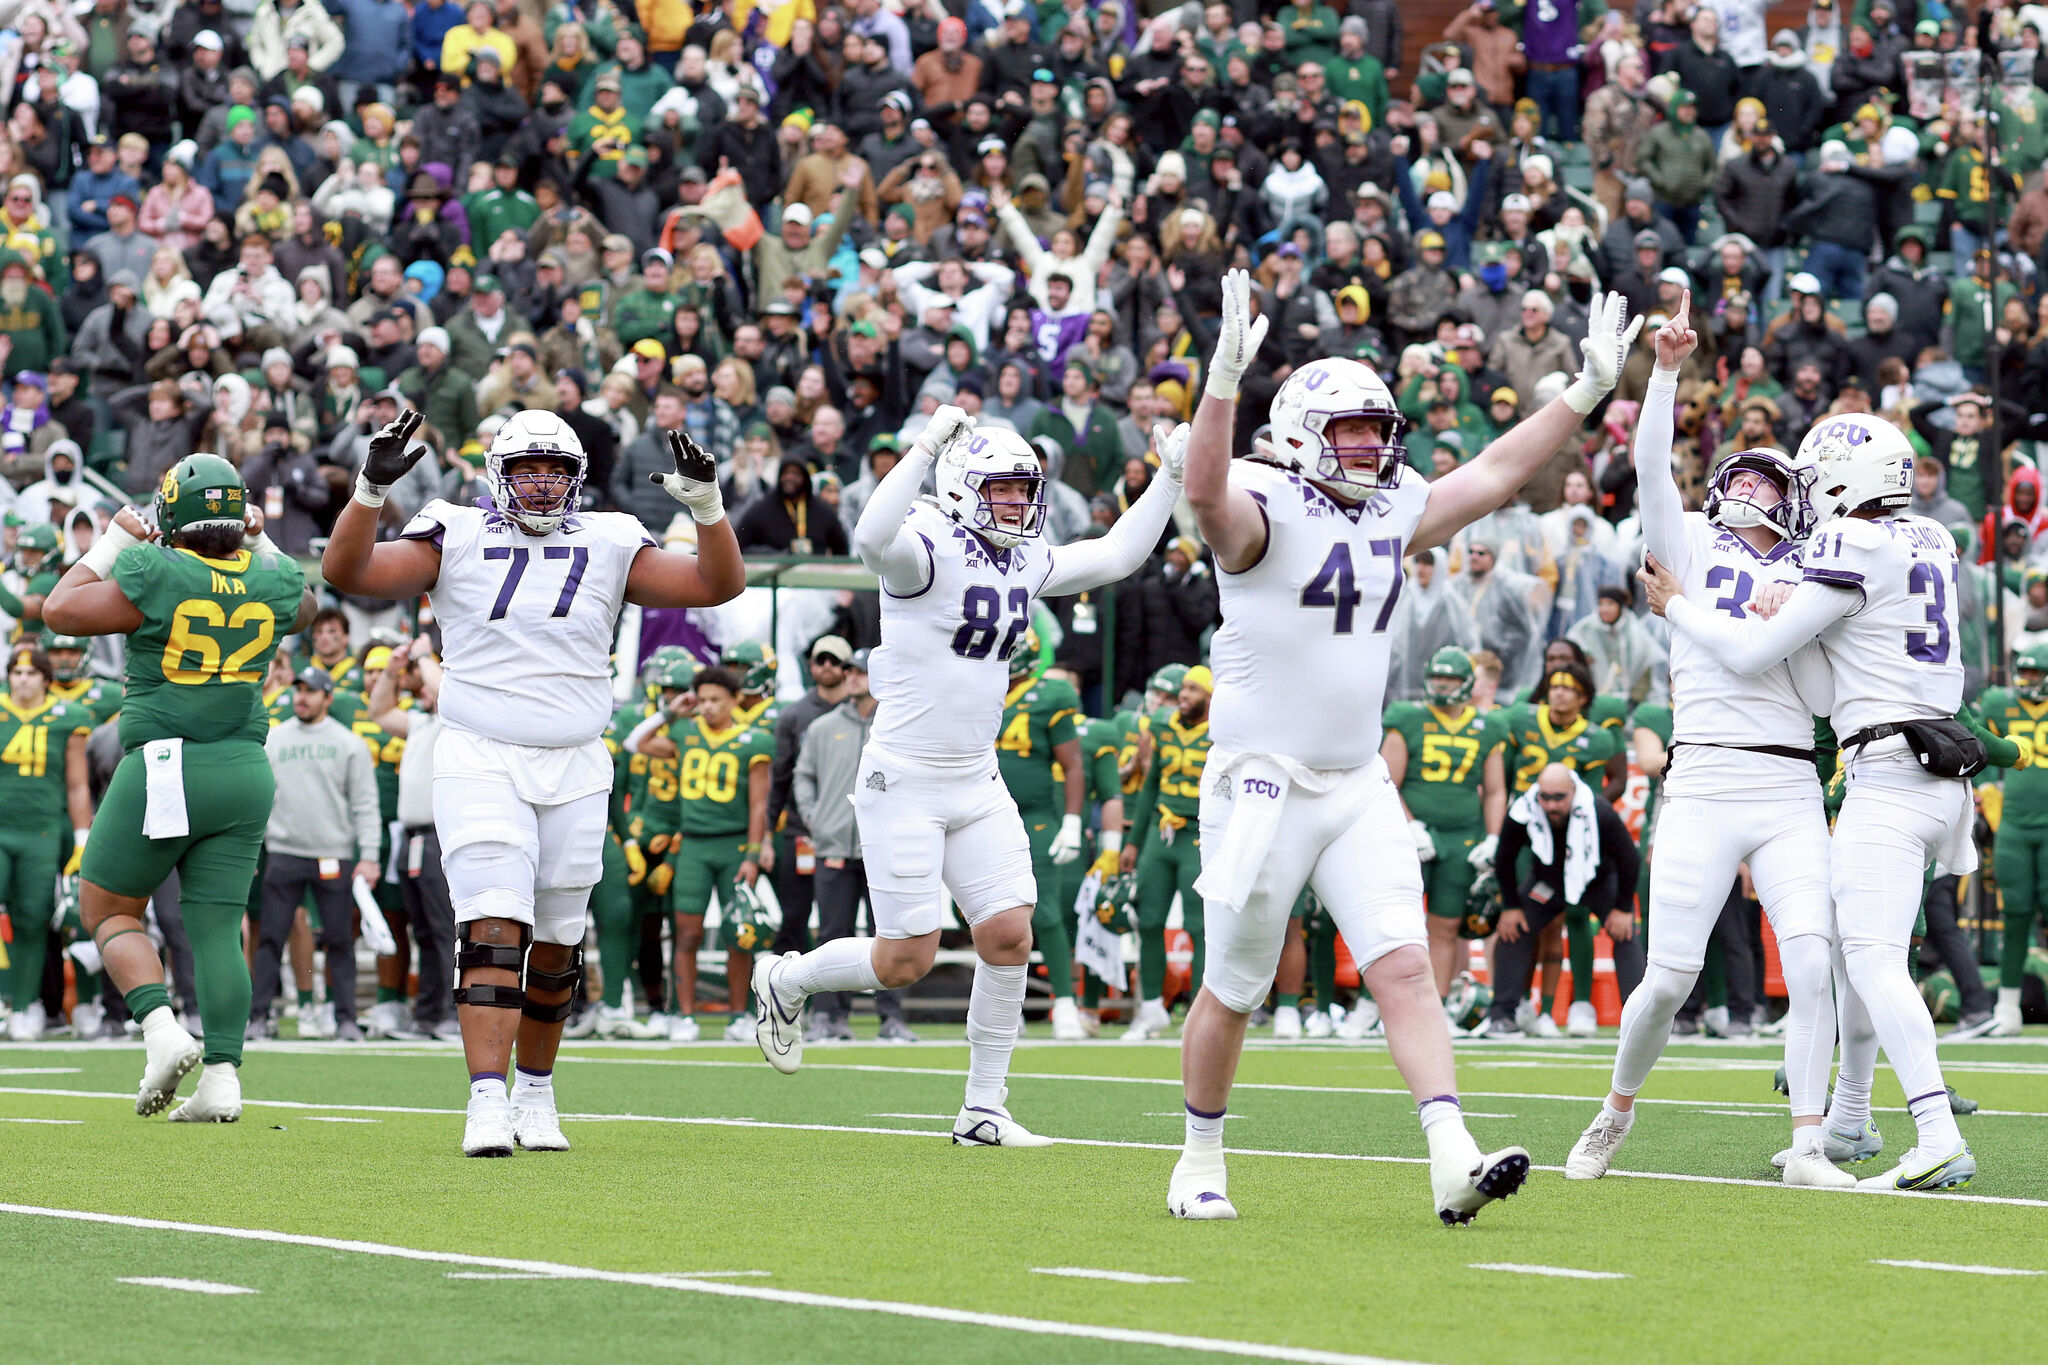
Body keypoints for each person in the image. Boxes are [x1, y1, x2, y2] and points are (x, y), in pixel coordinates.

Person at [1165, 269, 1638, 1224]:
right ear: (1301, 434)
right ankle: (1198, 1156)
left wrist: (1582, 394)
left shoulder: (1388, 504)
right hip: (1261, 784)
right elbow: (1207, 494)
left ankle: (1449, 1152)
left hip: (1353, 783)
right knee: (1234, 986)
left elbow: (1497, 474)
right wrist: (1221, 380)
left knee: (1407, 966)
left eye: (1382, 430)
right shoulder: (1263, 504)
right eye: (1351, 430)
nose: (1373, 447)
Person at [748, 396, 1187, 1145]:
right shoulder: (924, 541)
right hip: (906, 777)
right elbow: (868, 534)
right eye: (1003, 489)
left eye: (1025, 488)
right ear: (959, 487)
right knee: (904, 959)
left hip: (975, 777)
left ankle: (984, 1107)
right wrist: (920, 448)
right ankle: (786, 979)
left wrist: (1170, 480)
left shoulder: (1020, 555)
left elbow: (1115, 555)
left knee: (1008, 935)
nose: (1018, 503)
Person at [319, 407, 745, 1157]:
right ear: (498, 474)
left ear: (576, 478)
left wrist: (706, 505)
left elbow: (716, 583)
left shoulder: (610, 539)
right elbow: (348, 572)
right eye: (527, 469)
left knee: (556, 941)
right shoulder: (455, 529)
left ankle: (537, 1094)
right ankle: (486, 1098)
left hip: (577, 758)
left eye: (555, 470)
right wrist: (368, 491)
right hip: (481, 751)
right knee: (491, 922)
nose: (542, 484)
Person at [1640, 408, 1989, 1192]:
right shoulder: (1930, 536)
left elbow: (1753, 652)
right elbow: (1837, 655)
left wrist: (1679, 607)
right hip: (1936, 762)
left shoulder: (1849, 541)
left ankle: (1933, 1128)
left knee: (1867, 958)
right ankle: (1850, 1117)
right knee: (1846, 948)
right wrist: (1794, 598)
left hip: (1890, 769)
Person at [1566, 297, 1844, 1186]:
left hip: (1792, 780)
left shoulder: (1810, 570)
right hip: (1706, 779)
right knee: (1668, 977)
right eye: (1746, 478)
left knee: (1810, 962)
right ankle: (1615, 1108)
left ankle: (1807, 1141)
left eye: (1774, 483)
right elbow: (1650, 465)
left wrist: (1792, 607)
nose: (1756, 492)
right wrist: (1670, 372)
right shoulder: (1685, 539)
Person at [43, 454, 314, 1122]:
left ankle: (161, 1029)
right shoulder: (269, 574)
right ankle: (223, 1079)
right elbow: (303, 606)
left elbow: (59, 610)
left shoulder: (156, 567)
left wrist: (111, 540)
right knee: (218, 926)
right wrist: (259, 538)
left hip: (167, 762)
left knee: (106, 907)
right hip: (245, 768)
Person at [622, 662, 771, 1042]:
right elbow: (634, 743)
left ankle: (739, 1014)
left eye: (715, 699)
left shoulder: (753, 740)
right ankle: (683, 1014)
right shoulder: (686, 732)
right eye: (702, 699)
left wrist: (753, 855)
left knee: (740, 934)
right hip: (692, 845)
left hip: (733, 844)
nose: (707, 707)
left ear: (735, 699)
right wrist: (670, 711)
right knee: (686, 934)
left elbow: (759, 805)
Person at [250, 664, 382, 1041]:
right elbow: (260, 798)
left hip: (332, 854)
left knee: (340, 940)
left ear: (328, 697)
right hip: (284, 851)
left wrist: (369, 855)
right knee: (271, 938)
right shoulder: (274, 739)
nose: (301, 697)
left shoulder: (348, 743)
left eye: (310, 691)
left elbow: (365, 804)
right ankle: (259, 1017)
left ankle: (346, 1020)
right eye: (298, 690)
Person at [792, 646, 914, 1040]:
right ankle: (829, 1016)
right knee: (832, 933)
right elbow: (803, 776)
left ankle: (891, 1019)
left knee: (890, 933)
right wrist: (815, 818)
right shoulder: (823, 727)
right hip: (833, 846)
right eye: (851, 672)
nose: (853, 677)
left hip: (885, 847)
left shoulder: (899, 725)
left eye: (861, 672)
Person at [1480, 762, 1641, 1040]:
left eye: (1559, 797)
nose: (1551, 805)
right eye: (1545, 797)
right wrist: (1510, 907)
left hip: (1596, 879)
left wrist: (1623, 908)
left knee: (1626, 934)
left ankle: (1641, 1020)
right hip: (1548, 882)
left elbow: (1629, 858)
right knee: (1512, 931)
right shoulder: (1522, 811)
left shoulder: (1599, 811)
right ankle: (1503, 1015)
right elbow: (1504, 859)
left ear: (1574, 791)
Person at [1381, 648, 1506, 999]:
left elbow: (1495, 790)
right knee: (1392, 926)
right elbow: (1386, 781)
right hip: (1410, 835)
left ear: (1467, 683)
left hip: (1461, 838)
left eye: (1450, 678)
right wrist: (1410, 825)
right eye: (1437, 676)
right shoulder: (1407, 717)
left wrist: (1493, 836)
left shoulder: (1489, 724)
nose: (1441, 684)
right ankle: (1373, 1006)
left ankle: (1433, 1008)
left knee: (1446, 927)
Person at [995, 632, 1088, 1040]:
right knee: (988, 914)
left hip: (1034, 815)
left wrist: (1071, 819)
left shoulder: (1052, 694)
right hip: (986, 815)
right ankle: (1000, 1006)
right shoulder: (981, 687)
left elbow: (1072, 764)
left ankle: (1065, 1003)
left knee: (1046, 911)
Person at [0, 644, 93, 1040]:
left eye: (31, 673)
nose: (22, 680)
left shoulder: (67, 717)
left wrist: (82, 839)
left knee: (33, 917)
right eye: (16, 672)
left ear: (45, 678)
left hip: (41, 831)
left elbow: (76, 784)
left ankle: (23, 1005)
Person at [1119, 663, 1210, 1041]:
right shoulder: (1160, 726)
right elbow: (1150, 785)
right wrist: (1133, 842)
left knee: (1200, 927)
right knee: (1149, 919)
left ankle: (1202, 1014)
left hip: (1200, 835)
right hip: (1162, 830)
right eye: (1182, 689)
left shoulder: (1223, 731)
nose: (1184, 695)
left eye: (1192, 689)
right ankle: (1152, 1009)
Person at [1979, 646, 2048, 1037]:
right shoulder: (1997, 703)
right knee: (2016, 914)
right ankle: (2008, 1006)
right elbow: (1974, 745)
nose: (2028, 681)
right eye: (2025, 673)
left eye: (2037, 674)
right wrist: (1988, 790)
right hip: (2015, 827)